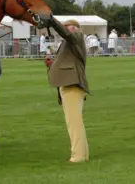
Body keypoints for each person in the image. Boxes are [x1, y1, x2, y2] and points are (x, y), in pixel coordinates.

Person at [48, 18, 90, 163]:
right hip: (68, 83)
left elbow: (67, 34)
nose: (64, 30)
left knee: (74, 123)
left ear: (74, 27)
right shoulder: (70, 42)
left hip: (72, 84)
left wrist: (52, 21)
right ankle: (83, 154)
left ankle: (78, 156)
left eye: (66, 27)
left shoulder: (76, 35)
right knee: (75, 122)